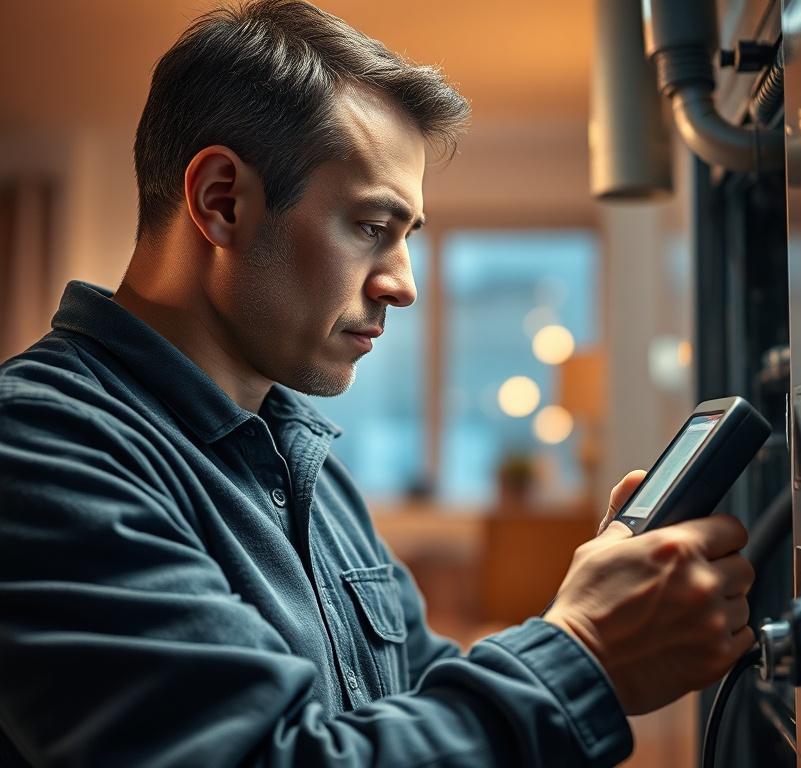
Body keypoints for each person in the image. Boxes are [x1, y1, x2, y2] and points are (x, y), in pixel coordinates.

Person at [0, 2, 755, 765]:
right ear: (221, 201)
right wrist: (584, 653)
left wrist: (594, 609)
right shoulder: (40, 451)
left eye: (407, 237)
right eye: (370, 227)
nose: (403, 285)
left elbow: (417, 704)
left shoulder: (306, 469)